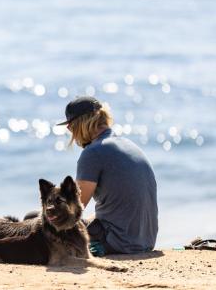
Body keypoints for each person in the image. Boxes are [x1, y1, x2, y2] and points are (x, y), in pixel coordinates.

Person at [56, 96, 158, 255]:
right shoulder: (129, 145)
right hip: (145, 241)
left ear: (79, 124)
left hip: (118, 242)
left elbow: (73, 210)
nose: (71, 133)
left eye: (70, 127)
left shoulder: (93, 153)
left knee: (35, 218)